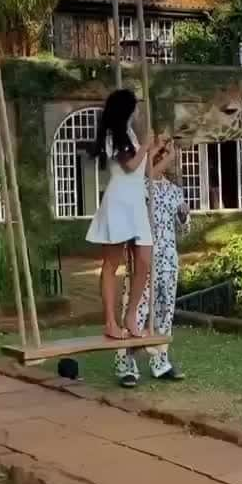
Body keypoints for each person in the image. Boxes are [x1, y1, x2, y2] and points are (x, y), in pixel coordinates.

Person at [115, 136, 190, 387]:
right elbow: (142, 182)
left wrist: (183, 216)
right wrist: (166, 152)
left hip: (168, 260)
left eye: (163, 156)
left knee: (164, 312)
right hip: (144, 260)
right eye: (157, 155)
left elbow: (184, 229)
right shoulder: (141, 185)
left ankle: (160, 362)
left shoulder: (173, 190)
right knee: (135, 312)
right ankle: (126, 363)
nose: (161, 159)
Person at [86, 88, 159, 340]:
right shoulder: (111, 134)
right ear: (127, 108)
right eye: (135, 105)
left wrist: (155, 150)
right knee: (111, 264)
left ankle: (131, 313)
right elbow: (129, 166)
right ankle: (109, 321)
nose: (138, 109)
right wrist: (147, 146)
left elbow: (142, 170)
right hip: (118, 202)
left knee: (144, 260)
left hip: (136, 202)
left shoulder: (129, 133)